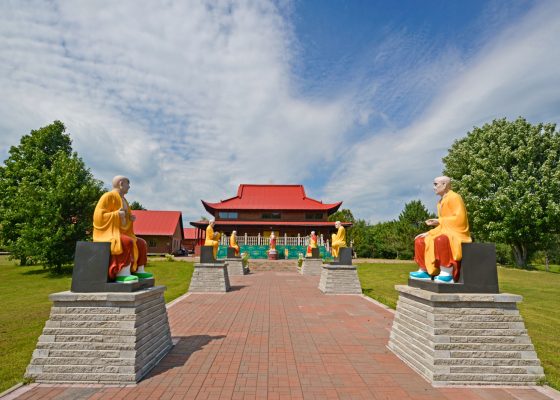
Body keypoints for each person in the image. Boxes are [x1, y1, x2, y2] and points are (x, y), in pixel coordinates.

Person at [410, 176, 472, 283]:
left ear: (444, 185)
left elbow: (460, 219)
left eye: (435, 184)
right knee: (420, 240)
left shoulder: (455, 197)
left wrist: (439, 221)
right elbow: (443, 224)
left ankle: (446, 272)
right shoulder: (440, 202)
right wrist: (429, 232)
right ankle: (424, 270)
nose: (434, 187)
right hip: (445, 229)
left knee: (441, 239)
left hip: (457, 232)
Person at [93, 175, 151, 283]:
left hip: (122, 232)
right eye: (127, 184)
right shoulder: (108, 196)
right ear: (121, 184)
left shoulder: (124, 200)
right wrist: (116, 214)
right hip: (109, 233)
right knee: (126, 242)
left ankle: (139, 270)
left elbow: (124, 219)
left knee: (141, 243)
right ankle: (122, 273)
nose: (129, 187)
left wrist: (130, 218)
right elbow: (98, 216)